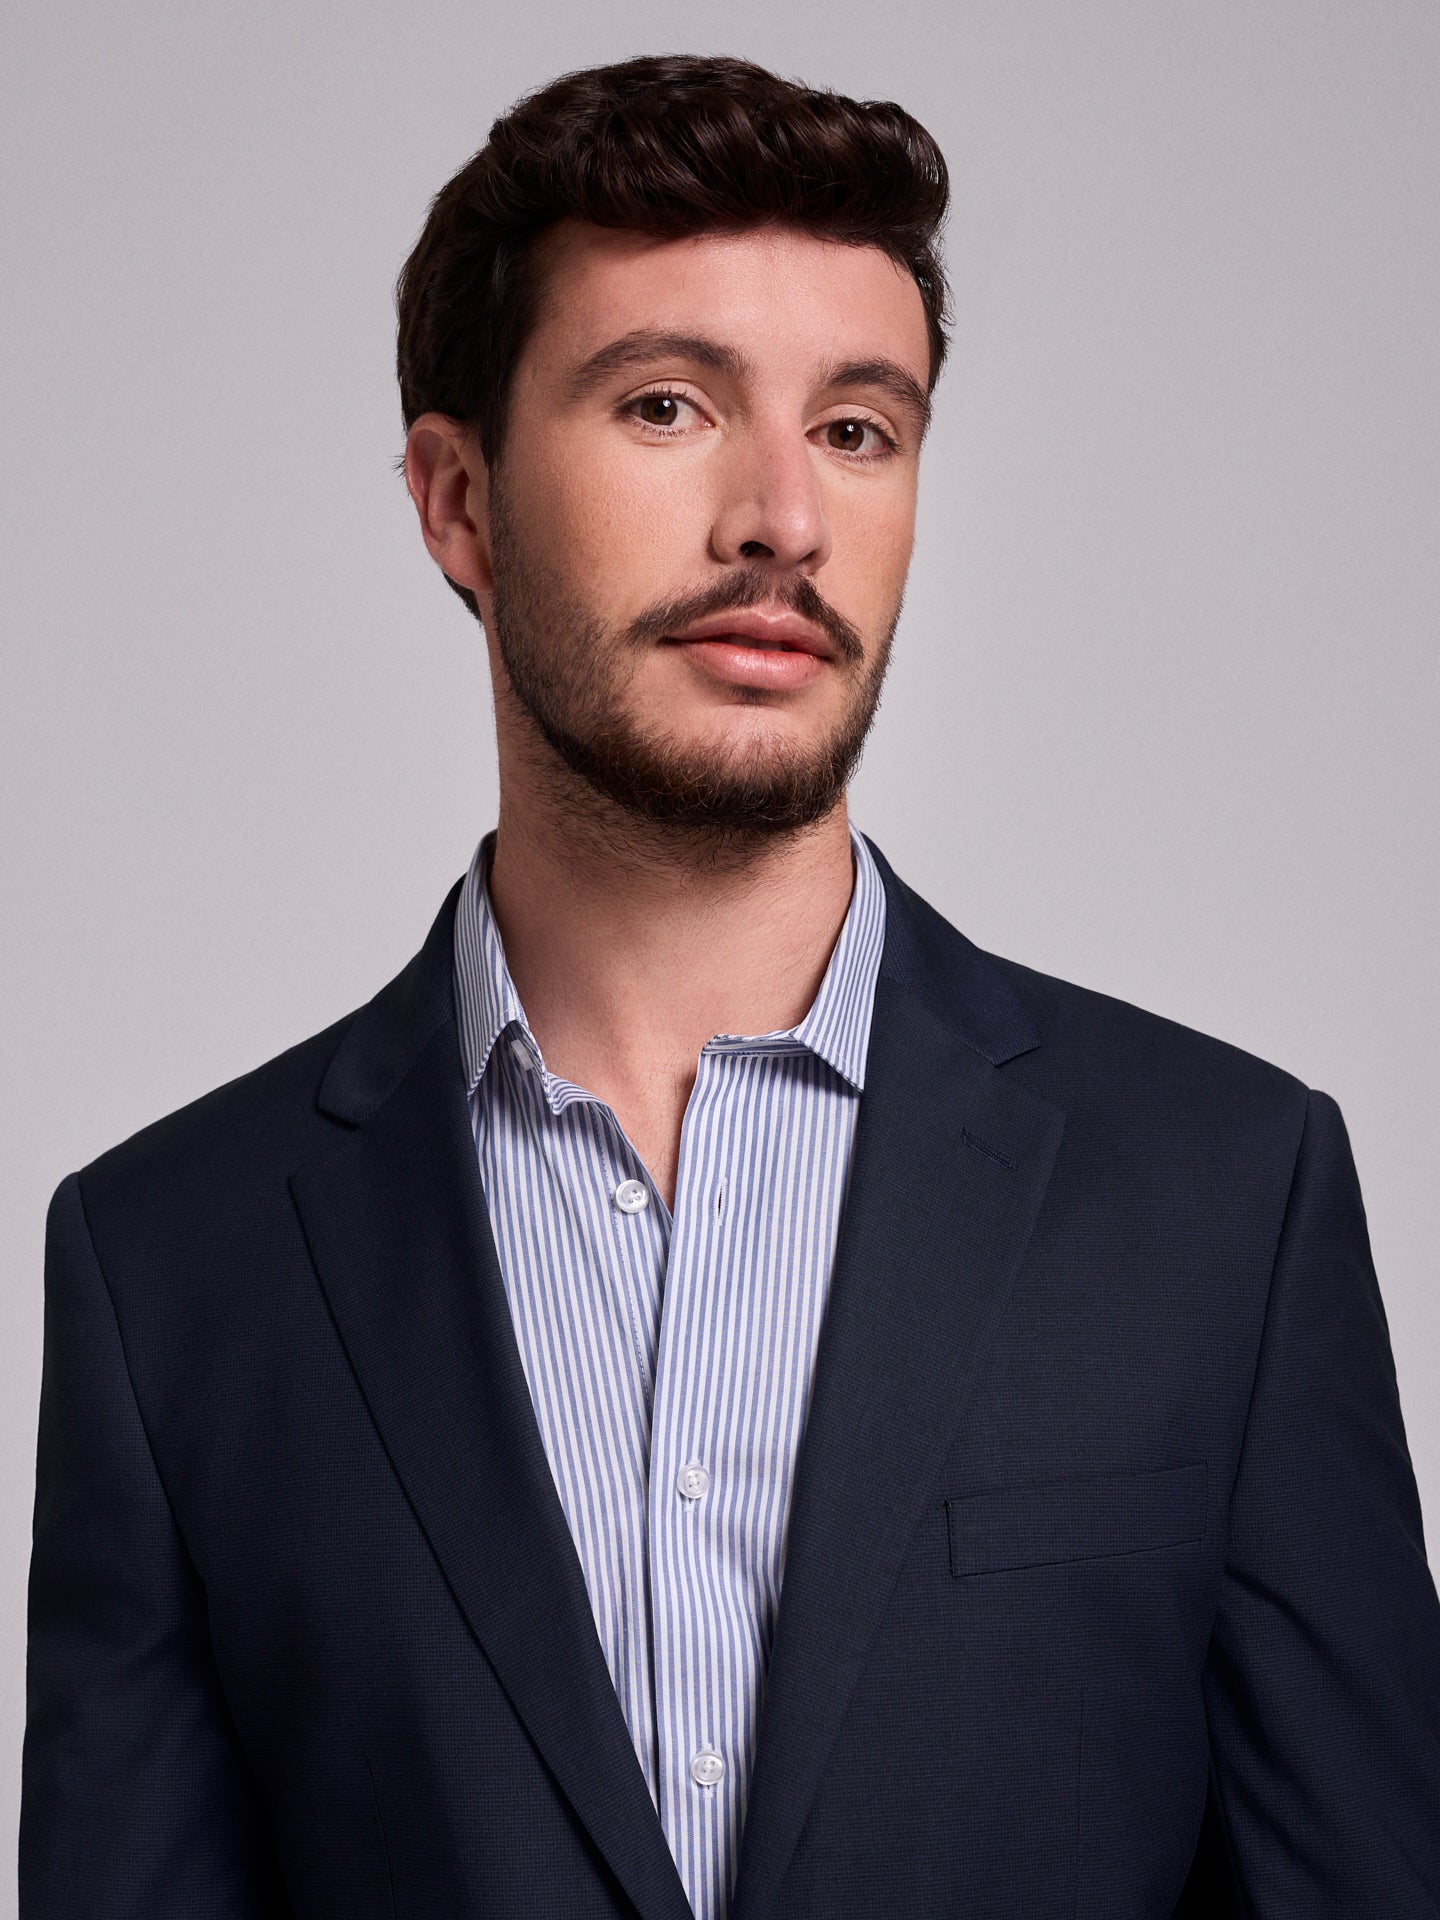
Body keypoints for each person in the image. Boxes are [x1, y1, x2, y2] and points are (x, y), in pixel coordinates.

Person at [20, 51, 1440, 1920]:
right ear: (458, 502)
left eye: (857, 427)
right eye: (667, 405)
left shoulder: (1223, 1202)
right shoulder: (170, 1270)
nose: (783, 516)